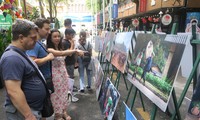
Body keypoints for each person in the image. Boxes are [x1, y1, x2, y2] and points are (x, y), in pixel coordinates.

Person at [0, 19, 45, 119]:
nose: (36, 40)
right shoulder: (12, 58)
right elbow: (13, 91)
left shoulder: (20, 53)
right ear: (21, 37)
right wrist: (29, 115)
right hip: (22, 114)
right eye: (33, 38)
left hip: (29, 111)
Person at [46, 29, 84, 120]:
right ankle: (57, 114)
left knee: (64, 93)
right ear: (50, 38)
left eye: (58, 36)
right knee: (56, 95)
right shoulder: (49, 49)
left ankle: (64, 111)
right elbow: (62, 53)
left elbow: (66, 54)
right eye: (54, 36)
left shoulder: (60, 47)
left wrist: (74, 49)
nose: (57, 38)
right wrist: (75, 50)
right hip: (55, 76)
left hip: (63, 74)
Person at [26, 18, 55, 93]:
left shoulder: (39, 43)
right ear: (38, 29)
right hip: (40, 81)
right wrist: (48, 58)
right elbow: (32, 62)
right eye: (46, 29)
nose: (49, 32)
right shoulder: (34, 44)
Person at [62, 28, 79, 102]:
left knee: (71, 79)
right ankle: (70, 96)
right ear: (67, 34)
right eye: (72, 35)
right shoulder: (64, 42)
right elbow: (69, 54)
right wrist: (72, 44)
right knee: (70, 79)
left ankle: (71, 94)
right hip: (68, 63)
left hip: (70, 63)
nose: (73, 36)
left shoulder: (67, 41)